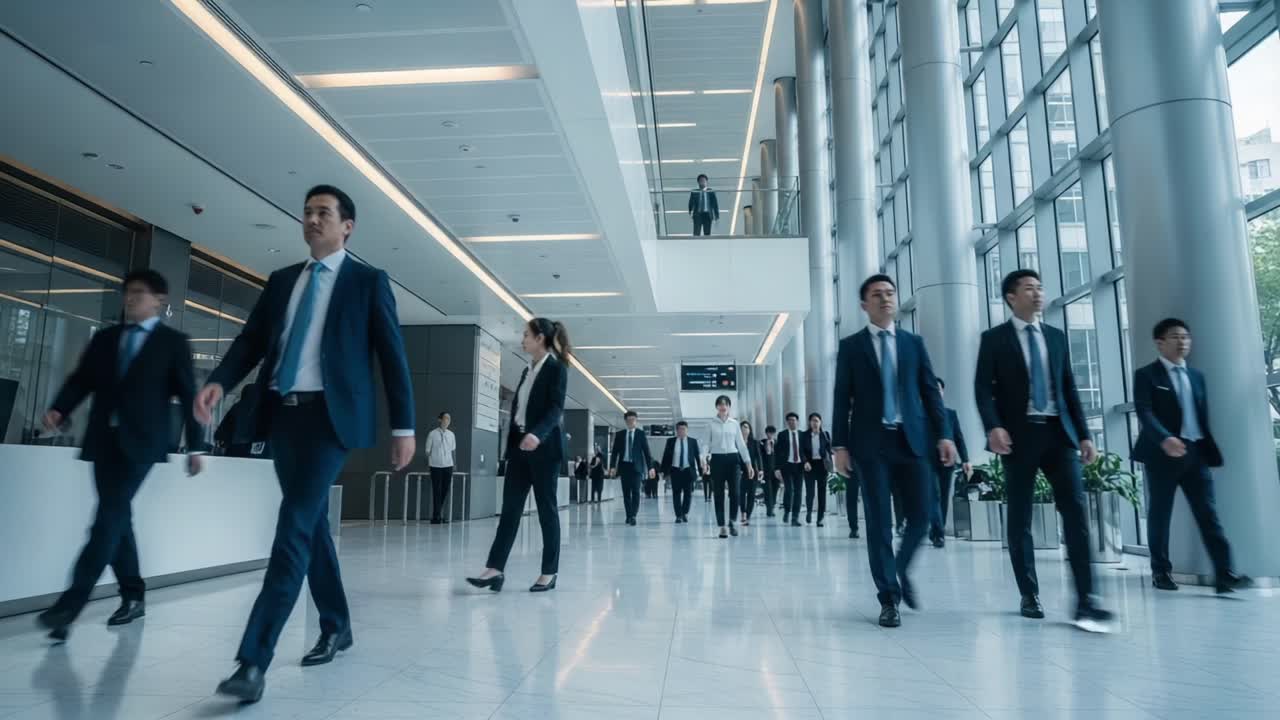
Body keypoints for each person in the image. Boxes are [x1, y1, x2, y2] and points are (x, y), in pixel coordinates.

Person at [199, 185, 416, 702]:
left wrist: (405, 428)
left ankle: (253, 661)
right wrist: (220, 381)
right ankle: (337, 624)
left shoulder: (367, 282)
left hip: (329, 421)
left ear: (348, 226)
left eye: (324, 213)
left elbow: (392, 357)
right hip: (282, 417)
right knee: (312, 523)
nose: (313, 220)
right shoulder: (282, 282)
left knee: (292, 528)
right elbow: (251, 341)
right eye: (308, 213)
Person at [35, 270, 205, 641]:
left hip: (143, 444)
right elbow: (82, 380)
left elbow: (189, 394)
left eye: (140, 293)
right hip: (103, 440)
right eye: (128, 293)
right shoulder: (107, 338)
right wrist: (59, 409)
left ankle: (69, 607)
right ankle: (133, 595)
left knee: (107, 519)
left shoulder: (173, 342)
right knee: (117, 518)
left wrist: (195, 446)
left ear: (159, 299)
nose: (131, 299)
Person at [974, 269, 1113, 633]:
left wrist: (1084, 435)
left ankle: (1086, 599)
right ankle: (1029, 594)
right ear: (1010, 297)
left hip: (1059, 435)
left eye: (1039, 288)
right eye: (1028, 289)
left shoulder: (1056, 337)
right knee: (1020, 519)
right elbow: (982, 391)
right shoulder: (993, 340)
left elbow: (1069, 389)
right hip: (1019, 438)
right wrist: (994, 426)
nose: (1037, 294)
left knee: (1077, 517)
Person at [832, 275, 955, 628]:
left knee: (925, 515)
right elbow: (842, 399)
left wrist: (944, 435)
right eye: (876, 294)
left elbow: (931, 392)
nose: (885, 299)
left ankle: (898, 569)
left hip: (911, 440)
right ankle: (889, 598)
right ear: (864, 305)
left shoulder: (913, 344)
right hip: (870, 444)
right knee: (879, 523)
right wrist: (839, 445)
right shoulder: (852, 346)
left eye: (889, 293)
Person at [1132, 318, 1251, 594]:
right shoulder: (1147, 375)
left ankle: (1224, 574)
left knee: (1208, 514)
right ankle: (1161, 572)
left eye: (1186, 337)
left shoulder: (1197, 376)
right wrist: (1165, 438)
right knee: (1160, 515)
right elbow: (1144, 412)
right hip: (1162, 455)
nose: (1182, 341)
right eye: (1175, 337)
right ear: (1159, 342)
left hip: (1195, 454)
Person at [467, 318, 572, 595]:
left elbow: (555, 409)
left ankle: (549, 572)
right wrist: (512, 446)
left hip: (544, 449)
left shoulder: (556, 368)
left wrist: (537, 434)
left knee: (546, 512)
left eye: (526, 335)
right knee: (510, 511)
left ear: (540, 339)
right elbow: (518, 413)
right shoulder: (527, 371)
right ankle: (495, 569)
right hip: (520, 450)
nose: (522, 339)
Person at [929, 379, 971, 548]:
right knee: (934, 495)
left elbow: (959, 438)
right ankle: (938, 533)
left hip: (948, 462)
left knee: (944, 497)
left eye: (939, 389)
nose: (937, 392)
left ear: (943, 392)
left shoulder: (951, 414)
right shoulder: (923, 413)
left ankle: (937, 529)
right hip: (929, 461)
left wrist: (966, 459)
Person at [708, 395, 755, 538]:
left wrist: (748, 464)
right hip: (717, 460)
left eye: (726, 404)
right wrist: (704, 459)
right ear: (717, 407)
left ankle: (732, 522)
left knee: (735, 492)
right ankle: (722, 526)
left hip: (733, 460)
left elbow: (741, 445)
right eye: (720, 404)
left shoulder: (734, 424)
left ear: (729, 407)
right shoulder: (710, 424)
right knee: (719, 494)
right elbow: (705, 444)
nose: (723, 407)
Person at [610, 411, 655, 525]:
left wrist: (651, 468)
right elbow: (614, 452)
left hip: (637, 467)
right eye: (629, 420)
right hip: (624, 466)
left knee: (635, 491)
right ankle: (628, 515)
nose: (631, 422)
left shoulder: (640, 434)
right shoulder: (620, 434)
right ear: (625, 421)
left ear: (636, 421)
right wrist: (612, 467)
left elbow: (647, 452)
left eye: (633, 420)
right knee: (626, 493)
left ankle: (633, 515)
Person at [660, 421, 703, 523]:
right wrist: (663, 471)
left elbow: (697, 457)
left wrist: (701, 471)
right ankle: (678, 515)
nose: (681, 431)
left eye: (683, 429)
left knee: (688, 494)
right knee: (676, 494)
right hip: (675, 471)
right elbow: (666, 456)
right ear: (676, 430)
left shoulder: (692, 441)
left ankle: (685, 513)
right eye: (679, 429)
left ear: (687, 430)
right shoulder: (671, 441)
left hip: (688, 470)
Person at [800, 413, 833, 527]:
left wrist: (831, 465)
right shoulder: (804, 435)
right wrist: (805, 462)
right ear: (810, 423)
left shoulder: (825, 435)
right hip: (809, 465)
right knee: (810, 492)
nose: (815, 423)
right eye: (813, 421)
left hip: (822, 465)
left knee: (822, 492)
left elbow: (829, 450)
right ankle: (809, 511)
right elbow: (801, 451)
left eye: (817, 420)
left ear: (820, 422)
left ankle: (820, 518)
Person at [774, 412, 806, 526]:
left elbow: (805, 451)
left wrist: (806, 462)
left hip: (799, 466)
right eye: (790, 420)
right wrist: (777, 468)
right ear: (787, 422)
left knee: (798, 491)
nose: (792, 422)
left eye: (794, 420)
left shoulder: (802, 435)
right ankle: (787, 511)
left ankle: (795, 517)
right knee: (789, 489)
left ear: (798, 421)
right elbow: (777, 452)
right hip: (787, 466)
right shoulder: (782, 435)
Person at [424, 412, 457, 524]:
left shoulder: (451, 435)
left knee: (444, 490)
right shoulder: (432, 434)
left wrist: (454, 463)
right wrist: (430, 461)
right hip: (435, 466)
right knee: (436, 490)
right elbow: (427, 451)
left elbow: (453, 450)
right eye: (445, 418)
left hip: (448, 465)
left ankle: (437, 514)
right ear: (440, 420)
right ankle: (436, 516)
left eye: (449, 419)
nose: (447, 421)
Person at [739, 420, 763, 525]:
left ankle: (748, 515)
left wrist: (761, 469)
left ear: (750, 430)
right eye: (742, 427)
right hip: (739, 471)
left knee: (751, 494)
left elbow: (759, 457)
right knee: (741, 494)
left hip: (752, 471)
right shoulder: (736, 442)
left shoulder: (755, 442)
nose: (744, 429)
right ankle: (743, 513)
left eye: (746, 427)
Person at [760, 425, 779, 517]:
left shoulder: (778, 443)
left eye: (772, 433)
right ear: (766, 433)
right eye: (768, 433)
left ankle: (772, 506)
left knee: (775, 489)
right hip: (765, 471)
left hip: (776, 471)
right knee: (768, 491)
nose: (770, 435)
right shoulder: (761, 443)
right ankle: (769, 509)